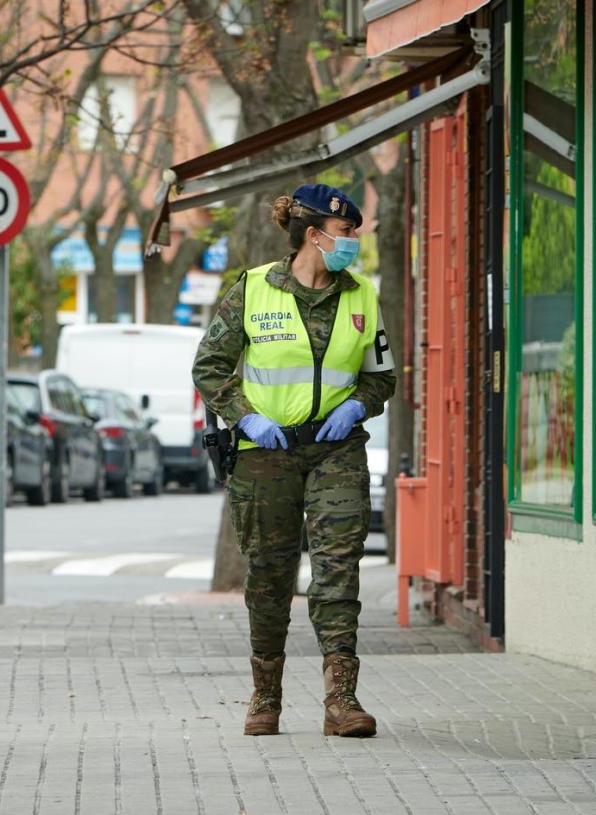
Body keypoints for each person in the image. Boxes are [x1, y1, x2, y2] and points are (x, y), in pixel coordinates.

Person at [192, 184, 396, 739]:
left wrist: (358, 404)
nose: (353, 242)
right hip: (267, 453)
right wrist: (245, 417)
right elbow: (210, 366)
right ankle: (265, 696)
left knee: (338, 570)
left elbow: (382, 375)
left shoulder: (361, 296)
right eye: (347, 233)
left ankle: (342, 700)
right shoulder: (255, 289)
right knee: (270, 574)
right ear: (315, 235)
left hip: (336, 450)